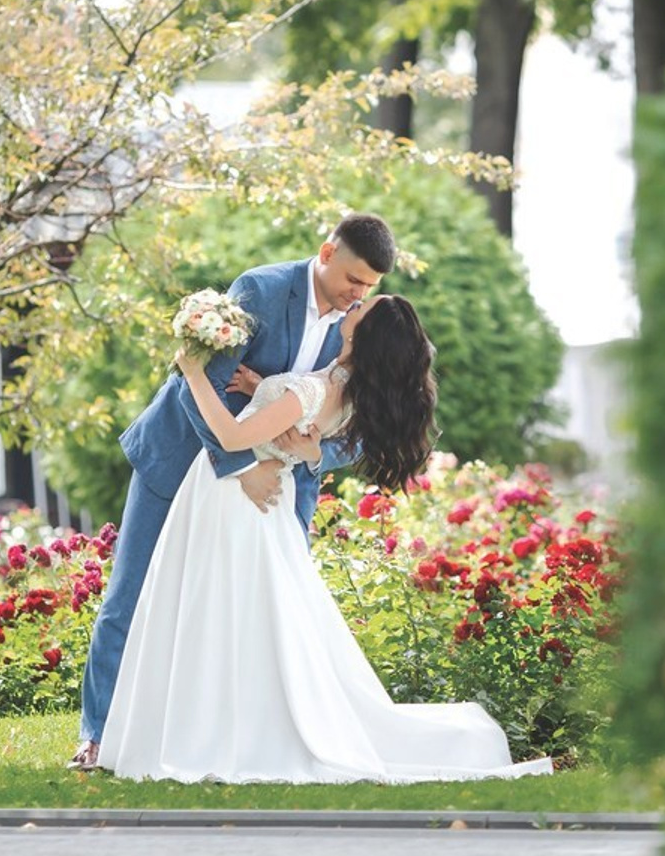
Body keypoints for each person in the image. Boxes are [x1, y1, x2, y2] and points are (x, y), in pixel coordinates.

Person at [96, 294, 554, 783]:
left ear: (363, 335)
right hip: (255, 500)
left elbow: (232, 438)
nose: (351, 307)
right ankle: (216, 727)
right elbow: (289, 419)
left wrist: (191, 372)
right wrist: (261, 387)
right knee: (238, 622)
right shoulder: (341, 391)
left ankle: (208, 735)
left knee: (212, 613)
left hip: (233, 497)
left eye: (360, 309)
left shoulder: (312, 393)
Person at [68, 213, 398, 769]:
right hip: (181, 461)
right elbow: (198, 386)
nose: (358, 295)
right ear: (326, 253)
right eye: (353, 280)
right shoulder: (261, 292)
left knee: (266, 615)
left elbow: (368, 421)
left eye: (370, 286)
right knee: (131, 597)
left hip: (280, 491)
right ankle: (98, 734)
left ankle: (251, 738)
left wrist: (316, 452)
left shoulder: (361, 327)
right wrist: (242, 466)